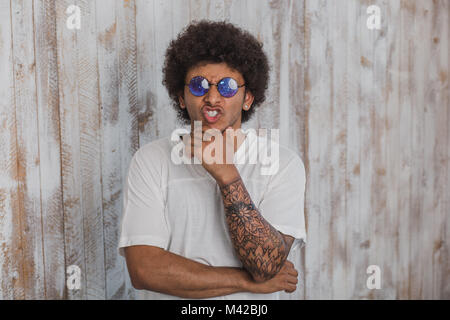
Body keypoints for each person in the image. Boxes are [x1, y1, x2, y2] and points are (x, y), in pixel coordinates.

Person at [118, 20, 307, 299]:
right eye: (198, 85)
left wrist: (226, 174)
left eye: (228, 86)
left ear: (247, 98)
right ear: (181, 97)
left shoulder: (281, 163)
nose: (212, 97)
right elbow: (144, 270)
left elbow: (265, 265)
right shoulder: (150, 160)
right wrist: (247, 282)